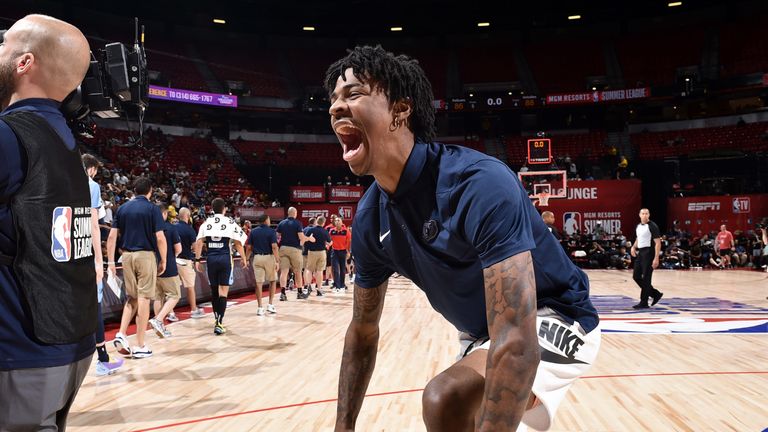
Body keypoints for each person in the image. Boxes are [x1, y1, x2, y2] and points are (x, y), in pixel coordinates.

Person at [325, 46, 600, 432]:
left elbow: (517, 343)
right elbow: (362, 331)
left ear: (400, 111)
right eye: (333, 99)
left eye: (353, 94)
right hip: (480, 334)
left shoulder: (477, 183)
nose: (336, 107)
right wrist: (343, 426)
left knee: (446, 397)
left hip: (555, 316)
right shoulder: (371, 219)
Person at [0, 15, 97, 430]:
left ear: (23, 63)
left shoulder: (10, 135)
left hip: (20, 345)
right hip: (68, 339)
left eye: (3, 46)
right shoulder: (63, 136)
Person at [107, 177, 168, 359]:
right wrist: (163, 260)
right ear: (150, 191)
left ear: (134, 190)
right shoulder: (152, 209)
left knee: (131, 297)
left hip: (126, 256)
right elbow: (160, 238)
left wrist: (111, 262)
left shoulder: (123, 208)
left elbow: (111, 237)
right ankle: (140, 345)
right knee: (143, 299)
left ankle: (121, 333)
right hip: (145, 255)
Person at [82, 154, 124, 375]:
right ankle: (102, 360)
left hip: (62, 253)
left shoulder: (60, 181)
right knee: (95, 305)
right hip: (85, 250)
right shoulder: (91, 186)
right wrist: (100, 261)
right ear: (91, 169)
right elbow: (94, 226)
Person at [194, 198, 248, 335]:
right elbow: (238, 242)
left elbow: (199, 243)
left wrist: (197, 260)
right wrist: (243, 258)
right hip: (224, 258)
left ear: (212, 208)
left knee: (214, 291)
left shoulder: (206, 223)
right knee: (223, 291)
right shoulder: (230, 221)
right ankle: (219, 322)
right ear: (224, 209)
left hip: (211, 259)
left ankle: (216, 318)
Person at [149, 204, 182, 338]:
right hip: (168, 266)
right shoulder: (170, 228)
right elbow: (178, 249)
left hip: (153, 266)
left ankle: (160, 325)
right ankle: (158, 320)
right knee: (174, 295)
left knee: (158, 297)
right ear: (164, 214)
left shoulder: (148, 229)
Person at [276, 207, 314, 300]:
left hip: (283, 248)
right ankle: (300, 292)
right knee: (297, 272)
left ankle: (283, 294)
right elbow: (301, 237)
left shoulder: (281, 223)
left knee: (284, 272)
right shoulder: (297, 223)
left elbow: (277, 237)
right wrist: (309, 238)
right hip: (295, 249)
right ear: (295, 213)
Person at [245, 214, 280, 315]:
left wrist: (247, 259)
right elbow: (274, 247)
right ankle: (270, 304)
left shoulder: (253, 232)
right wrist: (277, 260)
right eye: (269, 219)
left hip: (257, 258)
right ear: (266, 220)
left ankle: (260, 307)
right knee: (273, 280)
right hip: (269, 257)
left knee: (258, 283)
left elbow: (249, 247)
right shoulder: (271, 231)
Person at [630, 208, 663, 309]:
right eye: (643, 213)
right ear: (639, 215)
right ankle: (655, 293)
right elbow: (638, 238)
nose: (644, 215)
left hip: (649, 253)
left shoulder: (652, 226)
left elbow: (658, 243)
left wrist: (656, 258)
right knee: (636, 276)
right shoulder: (638, 226)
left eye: (646, 213)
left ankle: (644, 302)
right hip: (641, 253)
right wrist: (633, 247)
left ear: (649, 215)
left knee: (646, 278)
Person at [175, 207, 205, 318]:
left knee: (173, 289)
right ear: (188, 216)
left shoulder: (173, 227)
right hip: (184, 261)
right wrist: (197, 258)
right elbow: (195, 246)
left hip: (173, 261)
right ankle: (193, 310)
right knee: (190, 286)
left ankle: (171, 313)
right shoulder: (189, 229)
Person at [306, 216, 333, 296]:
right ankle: (319, 289)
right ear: (323, 223)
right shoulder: (325, 231)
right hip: (321, 252)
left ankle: (308, 286)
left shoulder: (310, 230)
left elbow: (305, 239)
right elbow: (329, 242)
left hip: (311, 252)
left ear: (317, 221)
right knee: (320, 271)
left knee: (309, 270)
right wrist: (328, 244)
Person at [329, 216, 351, 292]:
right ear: (334, 223)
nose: (337, 221)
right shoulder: (331, 231)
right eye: (336, 220)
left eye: (339, 220)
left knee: (342, 269)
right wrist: (327, 245)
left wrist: (348, 252)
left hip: (343, 251)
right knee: (335, 269)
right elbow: (329, 240)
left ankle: (342, 285)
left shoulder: (346, 231)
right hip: (334, 252)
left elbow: (349, 242)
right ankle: (337, 286)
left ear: (341, 222)